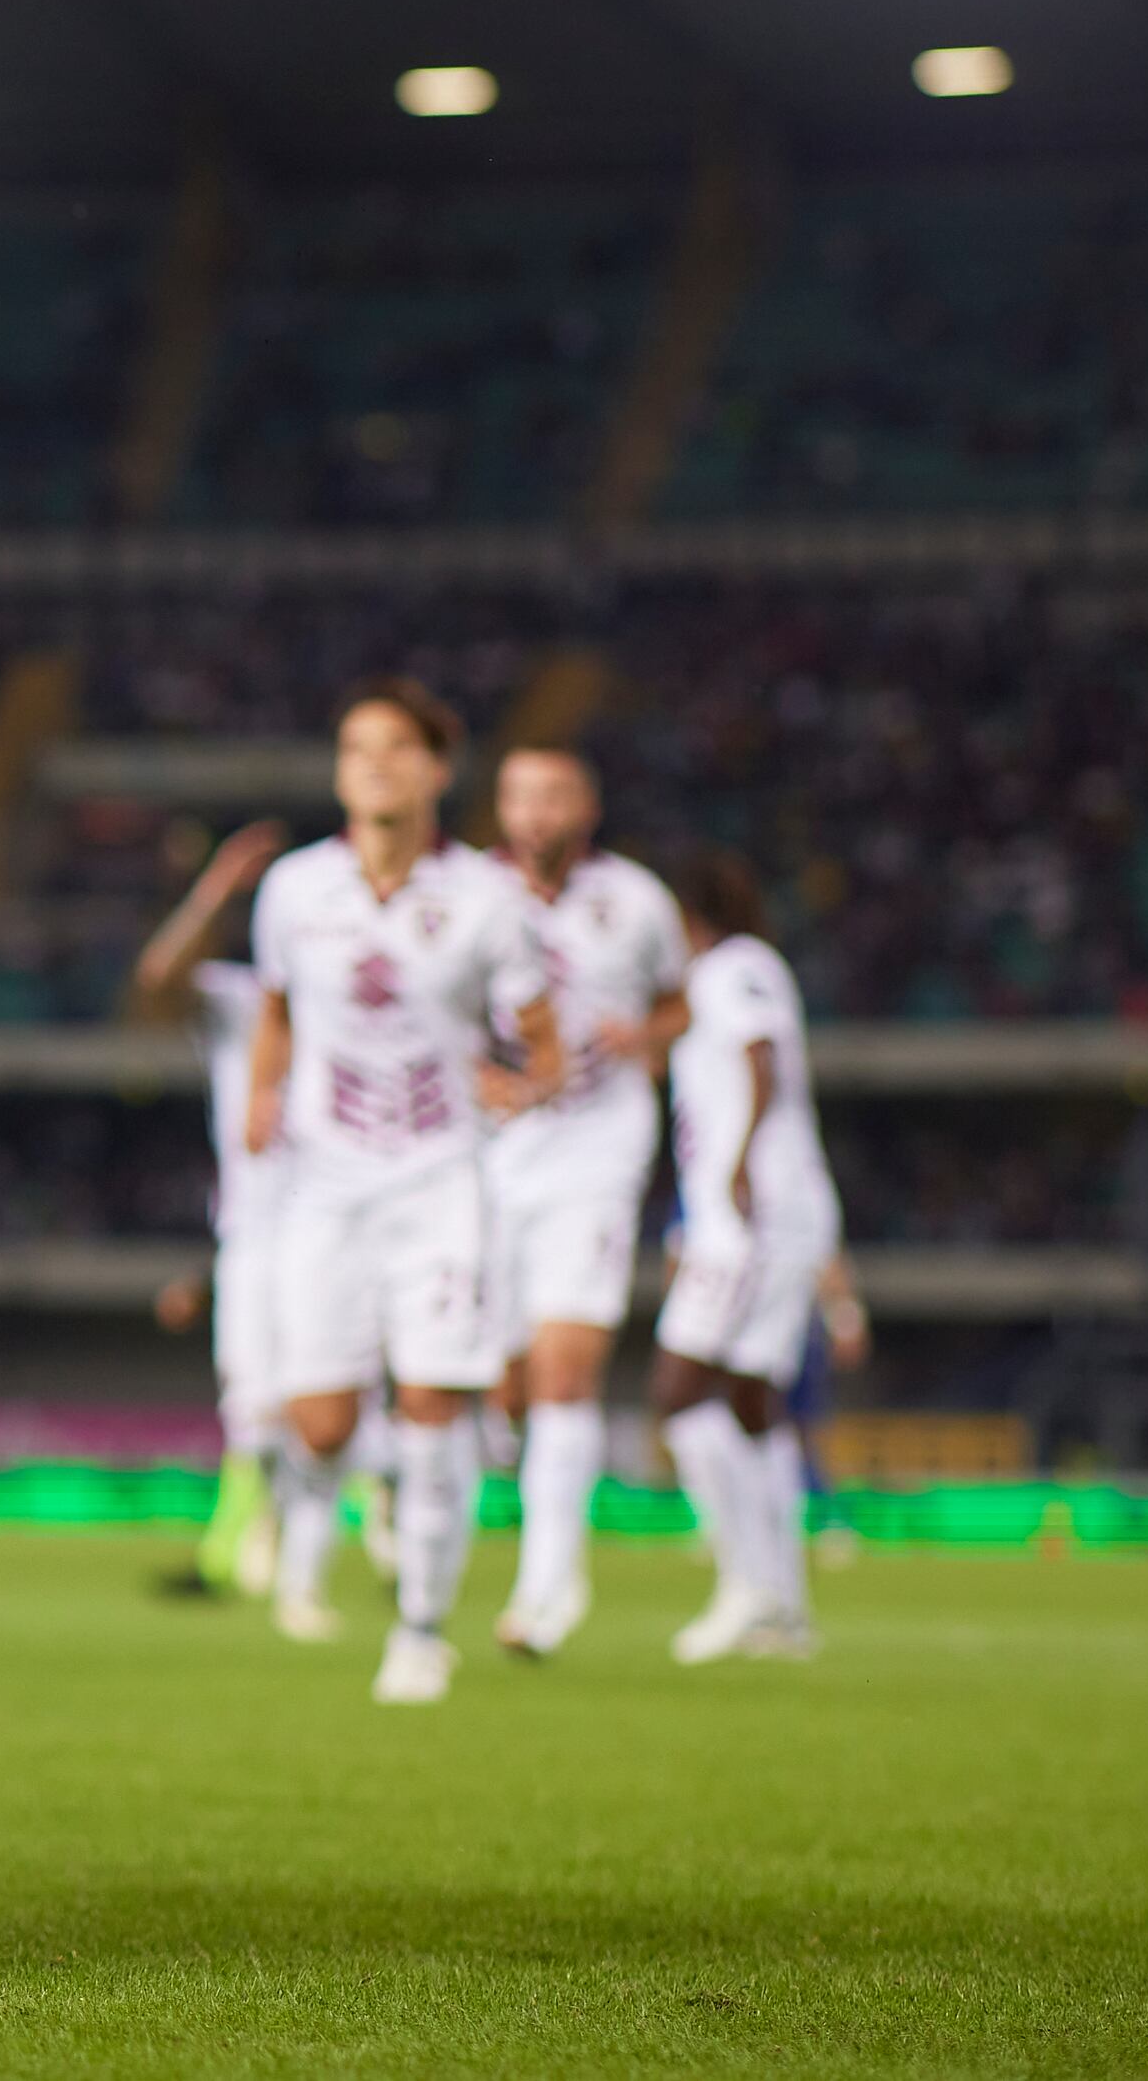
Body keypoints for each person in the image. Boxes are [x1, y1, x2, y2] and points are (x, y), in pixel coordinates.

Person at [243, 678, 559, 1706]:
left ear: (437, 769)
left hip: (439, 1186)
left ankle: (421, 1628)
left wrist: (520, 1087)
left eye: (394, 747)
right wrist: (260, 1091)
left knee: (431, 1403)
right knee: (320, 1422)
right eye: (355, 747)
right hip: (325, 1189)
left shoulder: (486, 898)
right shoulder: (295, 889)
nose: (372, 765)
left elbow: (542, 1044)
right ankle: (353, 1517)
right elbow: (276, 1010)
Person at [473, 748, 688, 1659]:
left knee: (567, 1370)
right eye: (521, 796)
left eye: (554, 795)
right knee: (503, 1388)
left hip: (597, 1150)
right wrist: (472, 1073)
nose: (537, 813)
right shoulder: (467, 897)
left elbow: (681, 1005)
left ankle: (546, 1590)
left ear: (588, 806)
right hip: (486, 1158)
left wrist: (645, 1035)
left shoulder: (637, 900)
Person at [650, 848, 844, 1665]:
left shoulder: (731, 967)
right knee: (753, 1407)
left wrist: (736, 1164)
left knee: (677, 1394)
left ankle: (744, 1583)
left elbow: (758, 1055)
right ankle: (785, 1608)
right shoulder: (735, 971)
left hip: (752, 1216)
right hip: (771, 1213)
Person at [133, 817, 292, 1600]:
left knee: (342, 1399)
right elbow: (157, 983)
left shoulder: (358, 992)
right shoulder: (240, 998)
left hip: (354, 1218)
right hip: (256, 1232)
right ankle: (236, 1555)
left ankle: (356, 1549)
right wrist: (215, 890)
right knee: (253, 1397)